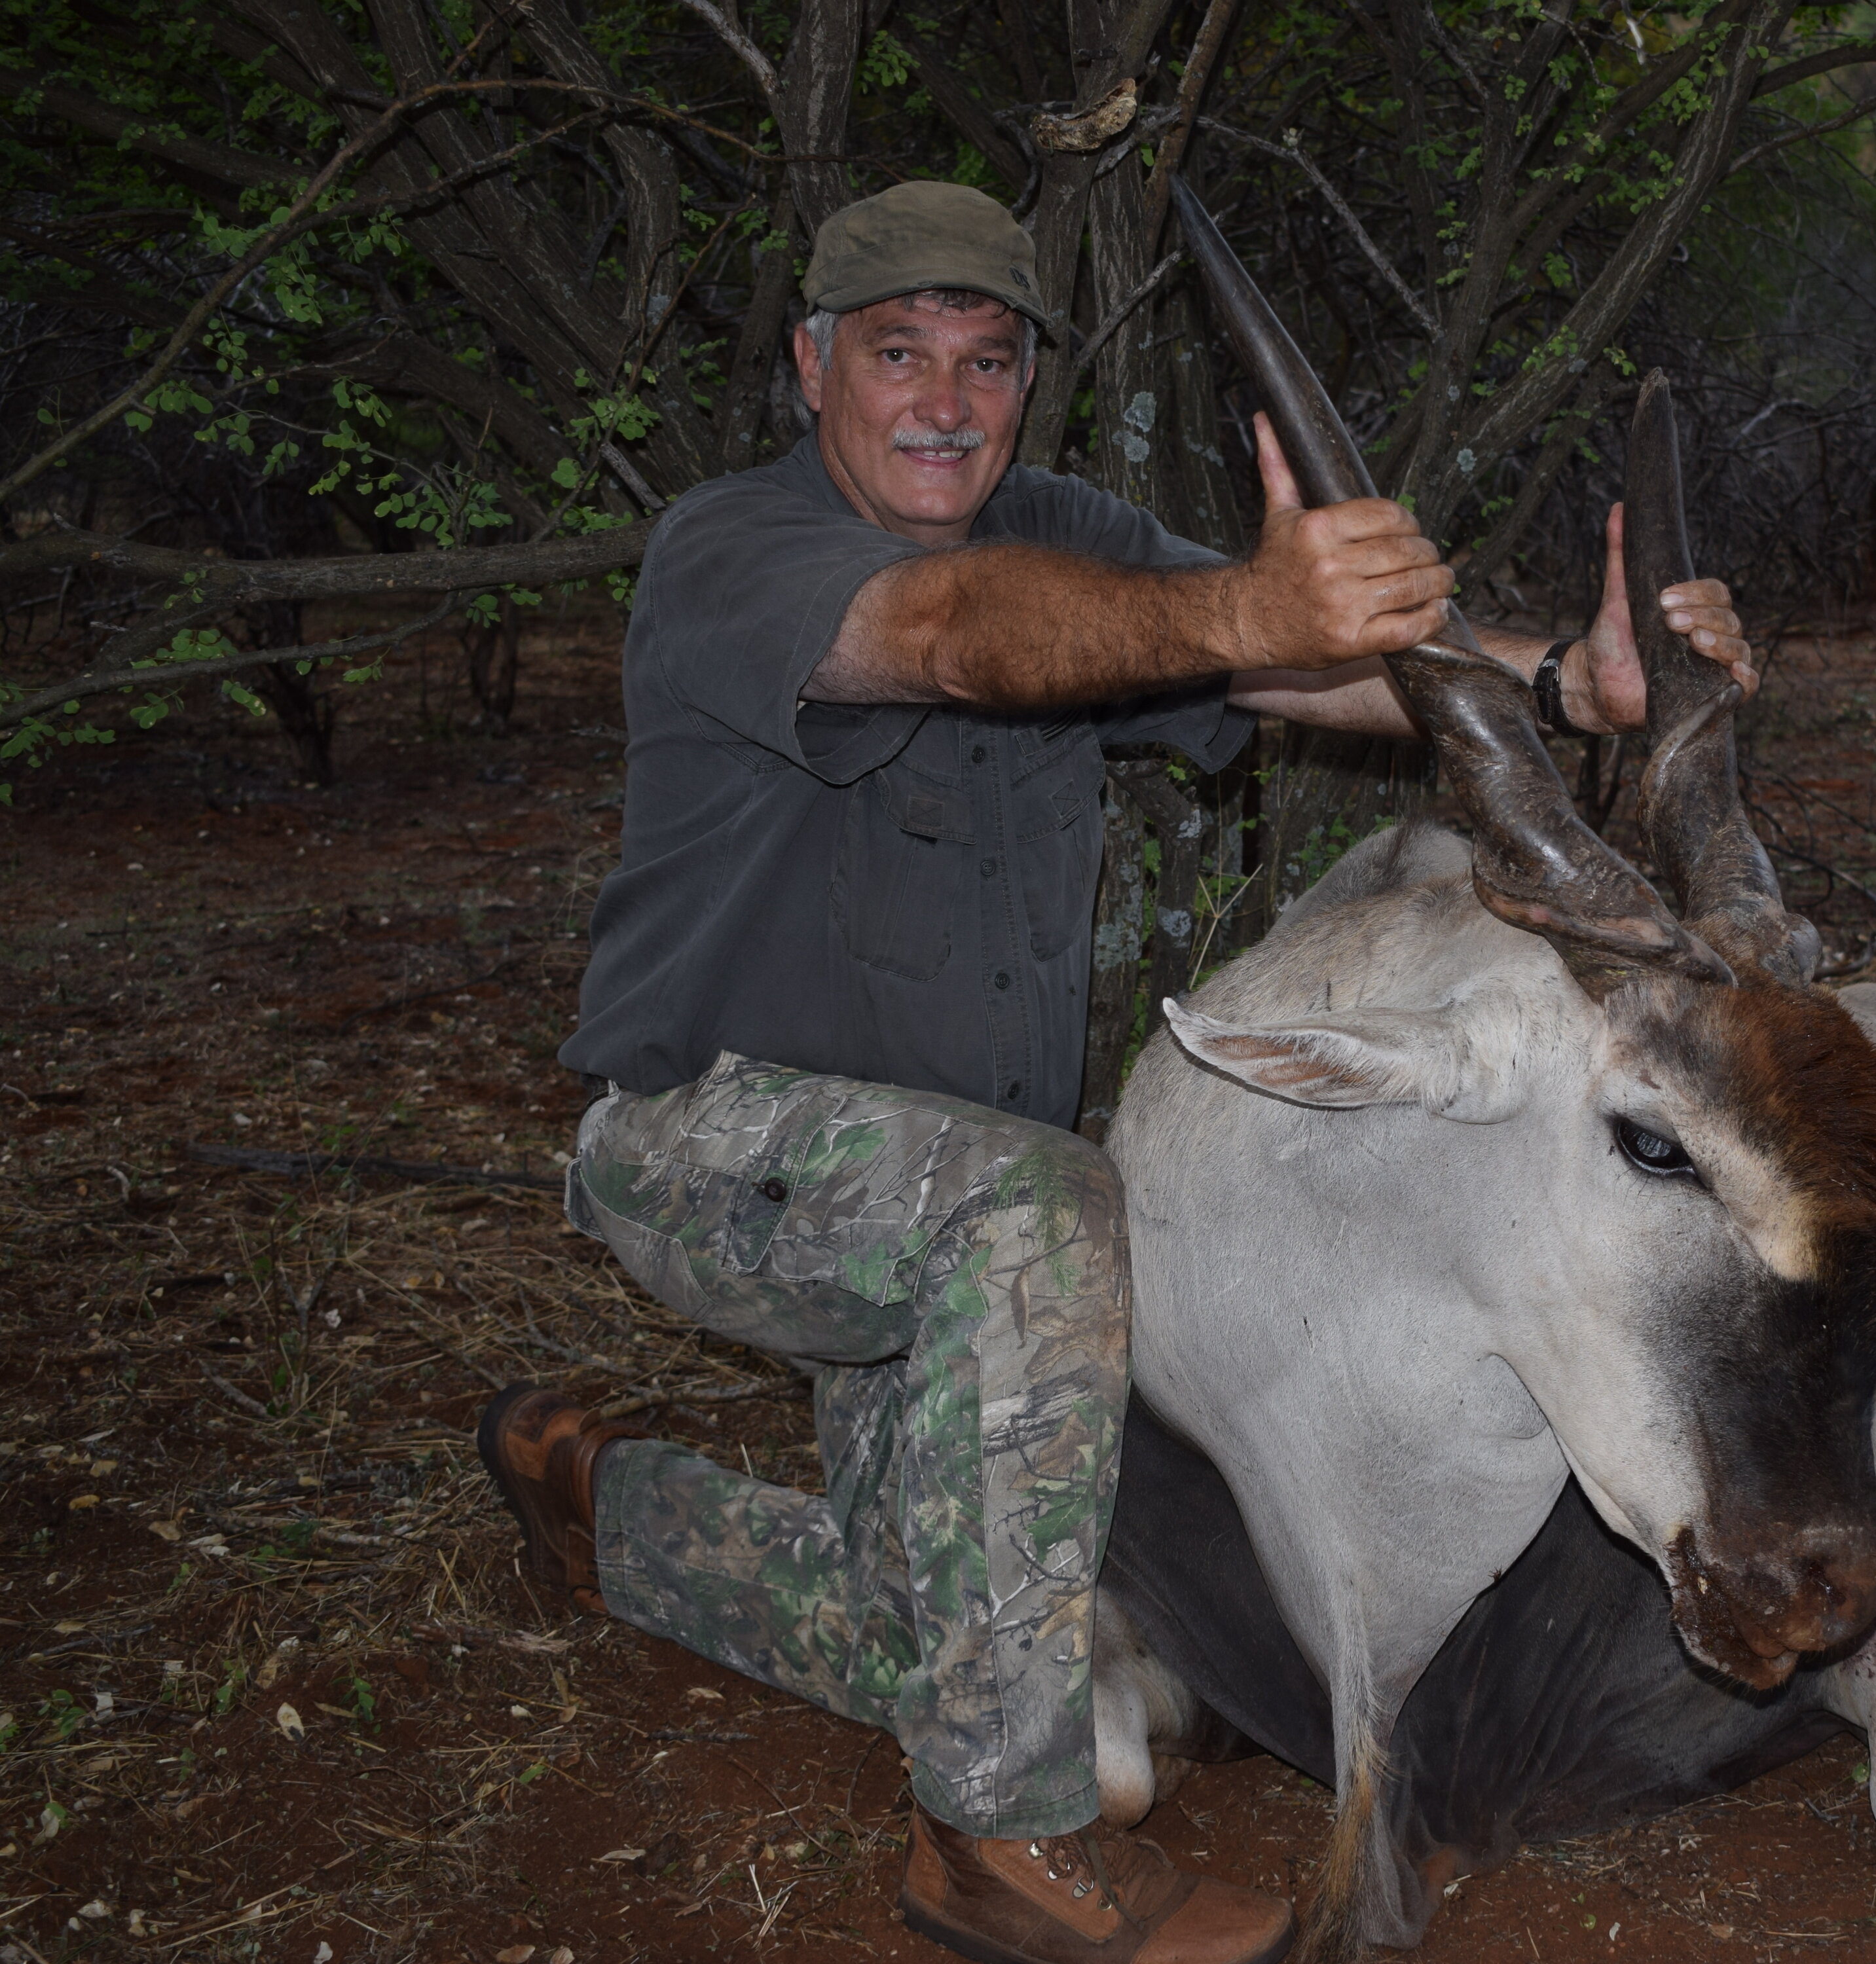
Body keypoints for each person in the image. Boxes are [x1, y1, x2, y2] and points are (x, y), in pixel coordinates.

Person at [473, 180, 1753, 1964]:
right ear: (809, 369)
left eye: (987, 360)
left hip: (942, 1206)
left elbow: (1303, 676)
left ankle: (599, 1497)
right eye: (897, 353)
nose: (944, 399)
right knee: (1058, 1207)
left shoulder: (1063, 534)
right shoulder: (731, 548)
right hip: (707, 1149)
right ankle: (1000, 1855)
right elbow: (956, 638)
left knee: (944, 1638)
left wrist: (1574, 687)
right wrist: (1237, 602)